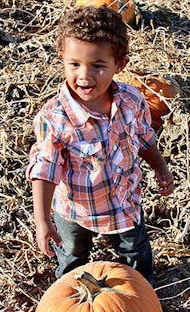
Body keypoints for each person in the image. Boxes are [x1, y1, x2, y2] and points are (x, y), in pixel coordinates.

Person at [25, 5, 175, 285]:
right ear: (62, 58)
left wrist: (161, 166)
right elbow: (45, 170)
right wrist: (43, 220)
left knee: (135, 251)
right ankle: (67, 289)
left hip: (124, 200)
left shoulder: (131, 100)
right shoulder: (55, 118)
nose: (84, 75)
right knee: (72, 253)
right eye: (74, 64)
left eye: (97, 66)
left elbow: (144, 137)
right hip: (75, 209)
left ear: (120, 65)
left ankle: (141, 288)